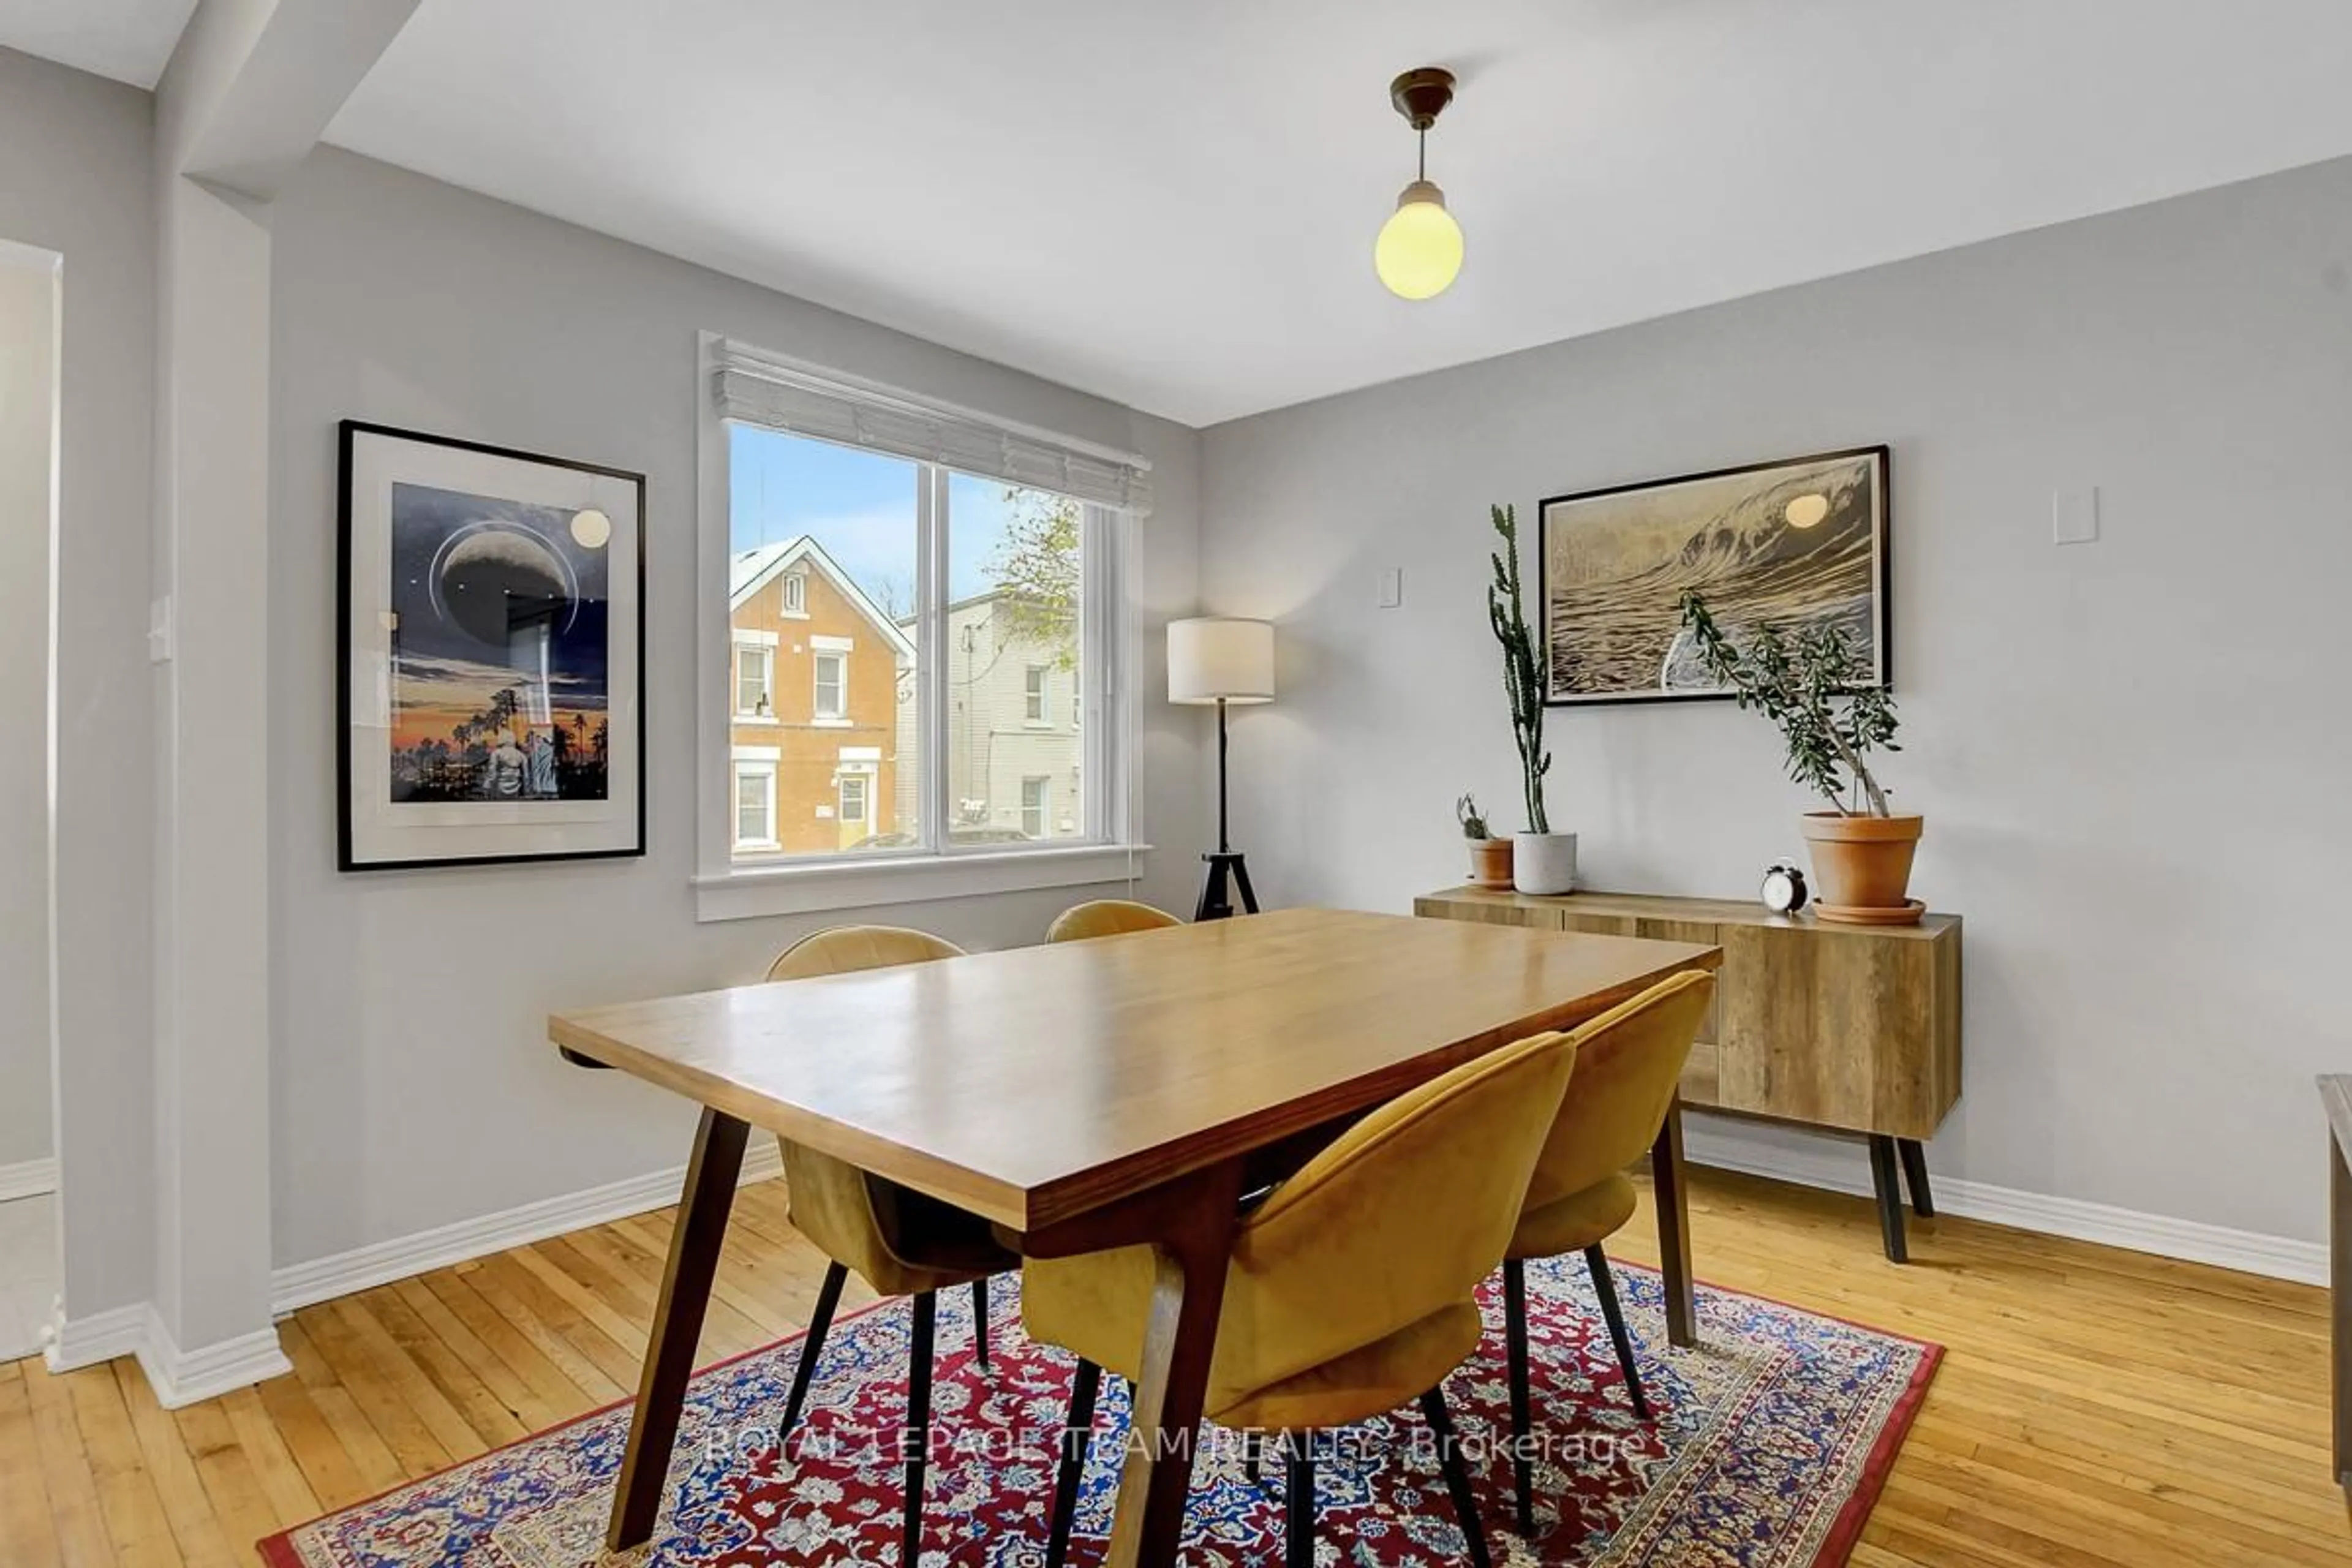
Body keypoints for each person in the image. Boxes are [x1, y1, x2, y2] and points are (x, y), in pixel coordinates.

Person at [481, 729, 527, 800]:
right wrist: (526, 789)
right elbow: (526, 776)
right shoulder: (521, 755)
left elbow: (491, 772)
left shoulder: (497, 753)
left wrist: (487, 785)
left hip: (499, 787)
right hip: (516, 787)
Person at [524, 727, 559, 799]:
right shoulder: (550, 750)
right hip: (549, 786)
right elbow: (555, 764)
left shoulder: (535, 750)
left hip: (538, 787)